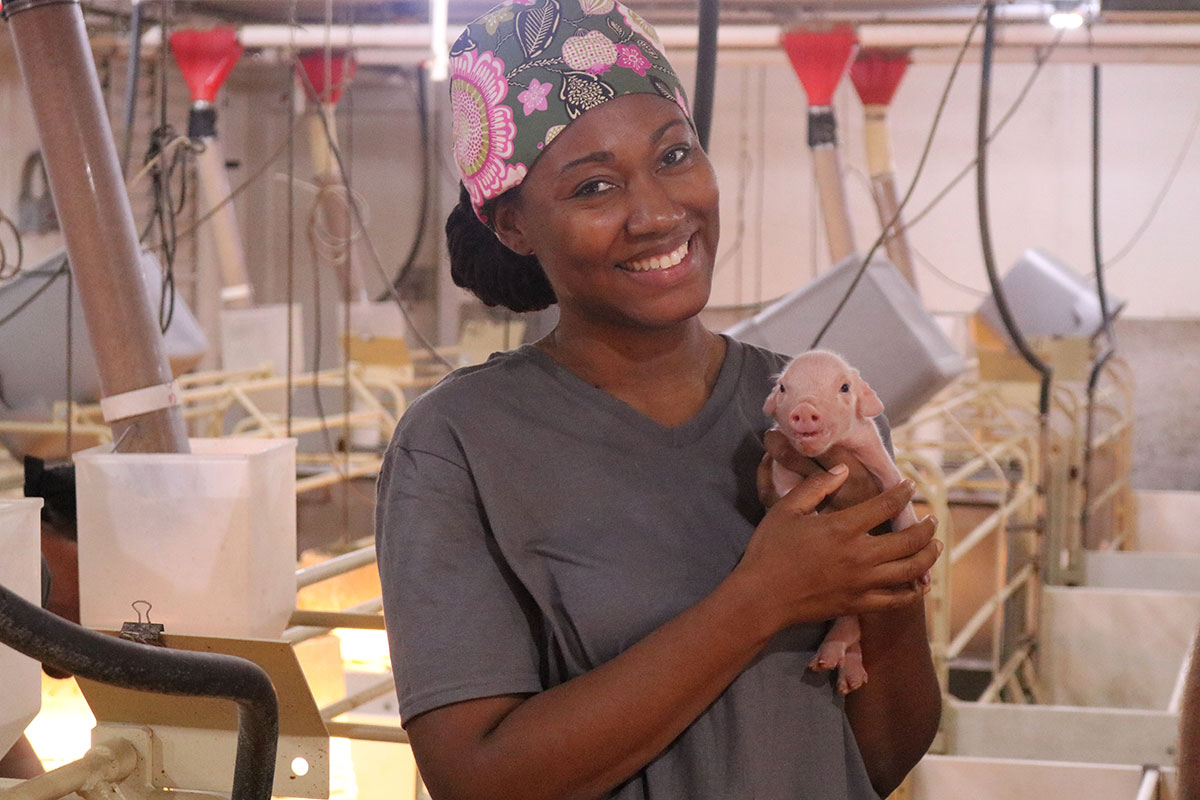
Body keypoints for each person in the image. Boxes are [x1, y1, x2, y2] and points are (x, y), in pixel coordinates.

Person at [375, 1, 943, 797]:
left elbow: (877, 759)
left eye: (675, 155)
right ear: (513, 225)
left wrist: (886, 602)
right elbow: (475, 779)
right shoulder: (458, 445)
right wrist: (765, 597)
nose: (658, 213)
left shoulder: (814, 407)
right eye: (596, 187)